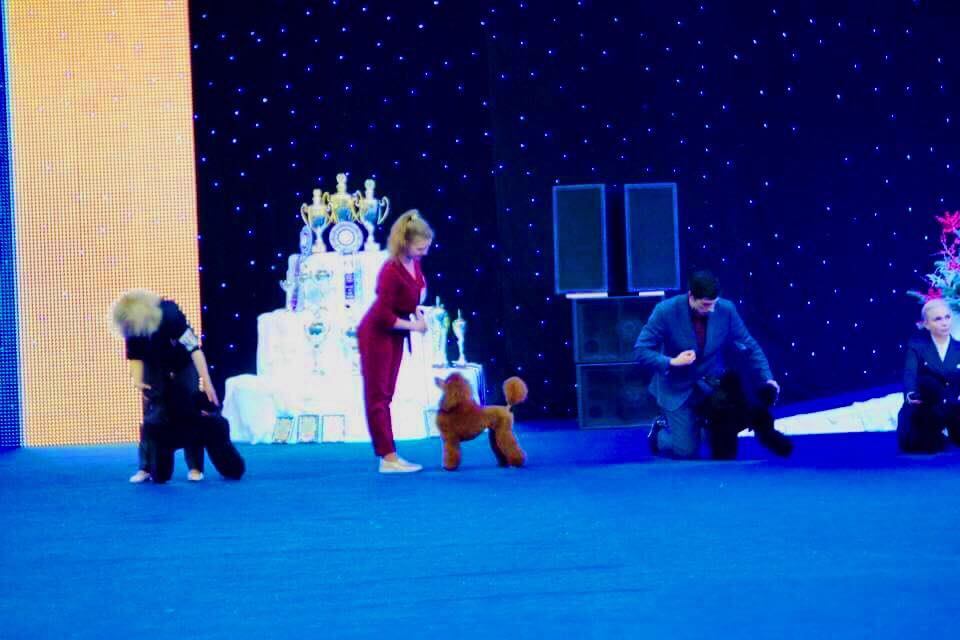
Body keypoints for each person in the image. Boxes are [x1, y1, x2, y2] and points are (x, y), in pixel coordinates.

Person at [634, 270, 781, 459]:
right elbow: (641, 350)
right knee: (686, 451)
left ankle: (699, 430)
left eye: (714, 304)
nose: (711, 309)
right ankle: (659, 434)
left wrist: (768, 379)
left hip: (710, 386)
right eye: (705, 304)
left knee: (723, 435)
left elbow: (749, 346)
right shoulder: (665, 311)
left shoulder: (726, 310)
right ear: (691, 296)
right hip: (676, 388)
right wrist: (673, 361)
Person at [111, 290, 244, 483]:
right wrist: (138, 381)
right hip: (154, 366)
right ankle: (147, 467)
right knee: (152, 419)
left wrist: (207, 381)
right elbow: (135, 357)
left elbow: (195, 350)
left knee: (191, 414)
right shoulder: (132, 326)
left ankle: (195, 467)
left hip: (183, 364)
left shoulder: (171, 314)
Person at [357, 210, 432, 473]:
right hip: (377, 334)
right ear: (405, 243)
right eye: (420, 248)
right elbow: (382, 315)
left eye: (427, 247)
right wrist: (415, 326)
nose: (424, 252)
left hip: (395, 333)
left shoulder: (414, 263)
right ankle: (387, 457)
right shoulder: (390, 270)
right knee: (378, 396)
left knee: (387, 394)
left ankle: (389, 454)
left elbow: (411, 296)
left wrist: (416, 313)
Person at [897, 298, 960, 453]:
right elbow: (910, 373)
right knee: (918, 445)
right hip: (926, 408)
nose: (944, 323)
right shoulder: (916, 346)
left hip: (954, 407)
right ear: (926, 324)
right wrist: (911, 394)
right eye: (938, 319)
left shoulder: (958, 348)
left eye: (947, 317)